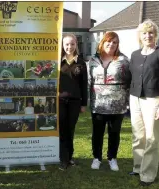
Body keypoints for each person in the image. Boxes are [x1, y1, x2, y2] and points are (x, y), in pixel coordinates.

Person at [128, 19, 159, 186]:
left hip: (154, 99)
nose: (147, 35)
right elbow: (131, 77)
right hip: (135, 98)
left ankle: (148, 174)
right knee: (138, 135)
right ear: (140, 35)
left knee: (152, 138)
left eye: (151, 32)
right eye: (144, 33)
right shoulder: (135, 54)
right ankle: (138, 167)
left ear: (156, 35)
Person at [88, 31, 131, 171]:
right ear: (103, 42)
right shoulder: (93, 60)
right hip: (98, 104)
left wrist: (129, 101)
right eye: (109, 41)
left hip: (117, 105)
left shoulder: (123, 60)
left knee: (114, 133)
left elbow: (129, 81)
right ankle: (97, 158)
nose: (111, 44)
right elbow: (89, 81)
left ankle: (112, 158)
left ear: (117, 45)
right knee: (97, 133)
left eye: (115, 42)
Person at [58, 33, 88, 170]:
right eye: (67, 44)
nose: (69, 47)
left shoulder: (81, 63)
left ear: (76, 45)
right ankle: (63, 159)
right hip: (60, 101)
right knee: (62, 130)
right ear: (63, 46)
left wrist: (83, 104)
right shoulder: (58, 61)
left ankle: (69, 157)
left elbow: (84, 84)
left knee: (71, 130)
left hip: (75, 102)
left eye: (72, 44)